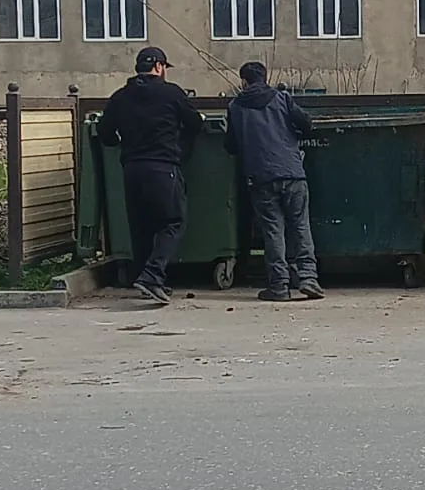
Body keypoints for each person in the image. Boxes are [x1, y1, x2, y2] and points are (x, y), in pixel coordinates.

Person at [96, 46, 203, 304]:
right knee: (173, 222)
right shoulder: (171, 93)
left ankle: (145, 278)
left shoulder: (120, 97)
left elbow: (105, 133)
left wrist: (122, 142)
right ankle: (153, 276)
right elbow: (195, 123)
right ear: (159, 66)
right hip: (163, 167)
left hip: (132, 169)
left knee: (141, 228)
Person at [225, 61, 323, 302]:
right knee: (300, 226)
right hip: (292, 172)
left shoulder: (235, 106)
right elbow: (306, 124)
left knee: (273, 231)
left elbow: (231, 146)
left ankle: (279, 285)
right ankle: (309, 278)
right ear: (265, 78)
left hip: (260, 178)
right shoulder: (282, 98)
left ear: (243, 81)